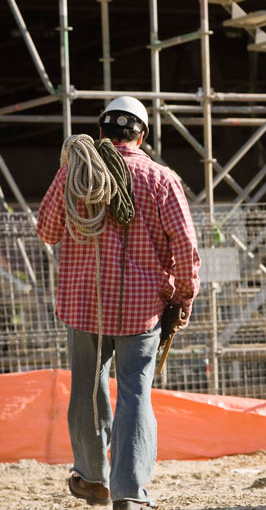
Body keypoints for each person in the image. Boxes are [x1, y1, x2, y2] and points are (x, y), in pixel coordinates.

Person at [37, 96, 200, 510]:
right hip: (142, 309)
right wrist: (183, 297)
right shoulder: (160, 178)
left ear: (101, 131)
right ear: (142, 134)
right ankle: (129, 492)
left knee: (88, 391)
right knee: (136, 393)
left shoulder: (74, 172)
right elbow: (185, 246)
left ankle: (92, 478)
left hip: (83, 305)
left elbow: (48, 231)